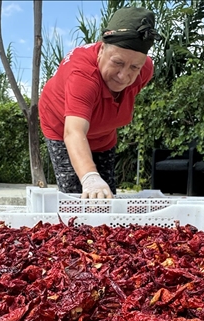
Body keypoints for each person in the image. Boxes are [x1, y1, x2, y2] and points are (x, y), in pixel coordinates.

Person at [39, 7, 158, 199]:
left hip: (103, 135)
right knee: (76, 195)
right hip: (63, 127)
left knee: (106, 194)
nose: (123, 75)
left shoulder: (144, 70)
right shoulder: (82, 76)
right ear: (102, 49)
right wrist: (89, 176)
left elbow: (115, 100)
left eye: (134, 67)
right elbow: (74, 132)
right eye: (118, 62)